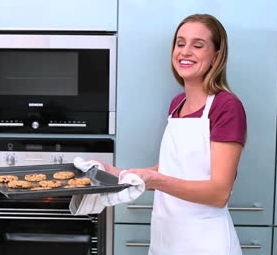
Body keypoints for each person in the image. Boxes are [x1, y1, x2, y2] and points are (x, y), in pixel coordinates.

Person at [98, 14, 246, 254]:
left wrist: (154, 181)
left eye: (198, 45)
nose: (185, 51)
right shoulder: (178, 104)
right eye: (180, 43)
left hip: (205, 241)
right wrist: (114, 174)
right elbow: (170, 169)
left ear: (216, 56)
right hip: (167, 236)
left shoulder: (226, 106)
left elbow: (219, 193)